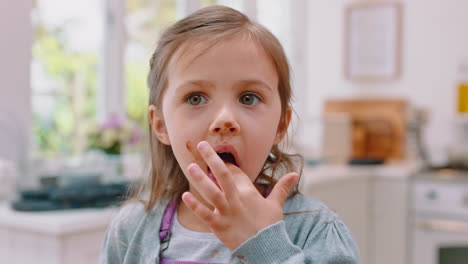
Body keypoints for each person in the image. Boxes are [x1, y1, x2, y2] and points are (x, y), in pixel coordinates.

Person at [100, 5, 359, 264]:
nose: (225, 119)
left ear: (280, 125)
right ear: (161, 125)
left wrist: (266, 246)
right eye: (195, 98)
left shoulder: (316, 230)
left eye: (248, 98)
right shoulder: (130, 231)